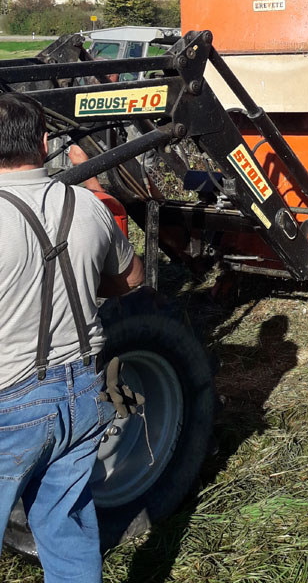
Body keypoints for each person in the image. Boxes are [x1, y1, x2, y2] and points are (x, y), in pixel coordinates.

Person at [0, 92, 144, 582]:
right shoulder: (87, 204)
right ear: (44, 143)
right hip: (81, 394)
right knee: (65, 529)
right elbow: (132, 279)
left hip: (9, 403)